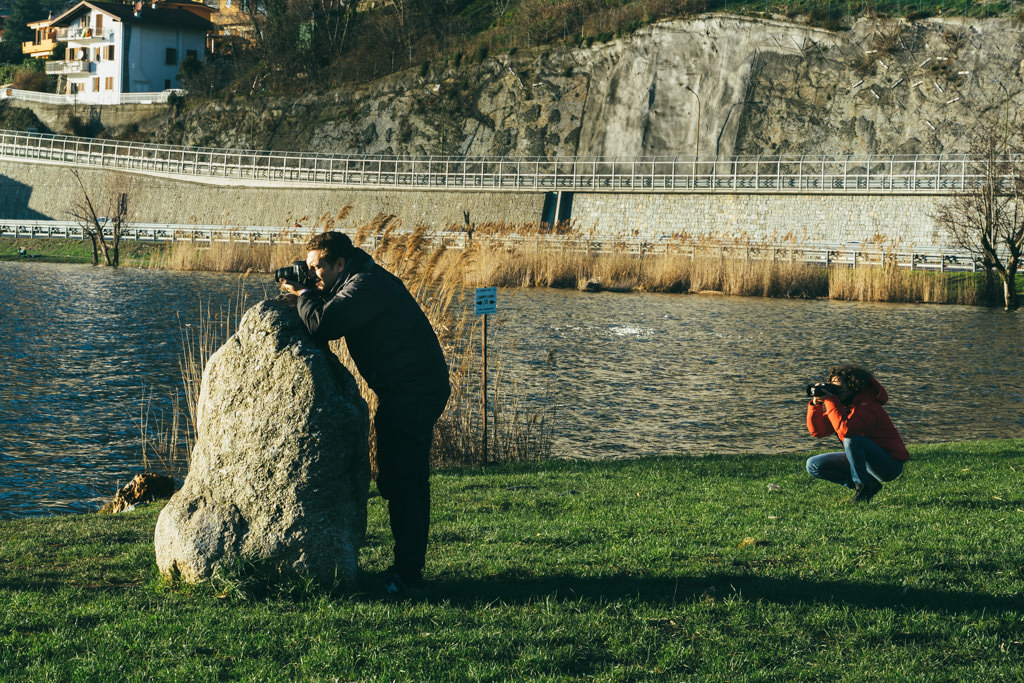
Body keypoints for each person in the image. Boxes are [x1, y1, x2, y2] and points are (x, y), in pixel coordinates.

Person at [279, 231, 450, 597]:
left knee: (406, 484)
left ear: (340, 264)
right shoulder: (359, 279)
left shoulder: (365, 287)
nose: (312, 276)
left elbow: (323, 325)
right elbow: (328, 309)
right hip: (407, 390)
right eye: (308, 270)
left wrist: (304, 295)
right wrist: (307, 292)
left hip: (415, 391)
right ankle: (406, 569)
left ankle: (408, 577)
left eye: (317, 268)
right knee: (395, 478)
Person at [805, 364, 908, 503]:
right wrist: (816, 404)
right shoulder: (844, 405)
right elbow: (818, 431)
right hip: (864, 460)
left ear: (853, 386)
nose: (835, 393)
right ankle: (869, 485)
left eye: (838, 389)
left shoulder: (868, 406)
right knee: (813, 464)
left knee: (851, 440)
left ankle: (863, 487)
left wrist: (830, 400)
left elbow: (846, 431)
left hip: (889, 465)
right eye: (832, 387)